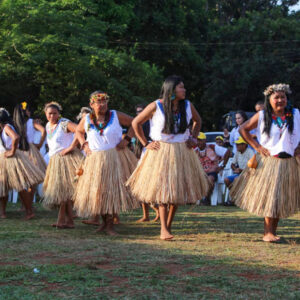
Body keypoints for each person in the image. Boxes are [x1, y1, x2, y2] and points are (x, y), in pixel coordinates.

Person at [127, 75, 209, 240]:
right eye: (181, 87)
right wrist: (145, 143)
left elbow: (197, 121)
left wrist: (193, 137)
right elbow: (136, 123)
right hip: (161, 151)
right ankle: (163, 229)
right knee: (164, 191)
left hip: (182, 151)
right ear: (171, 89)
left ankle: (168, 227)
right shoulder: (156, 105)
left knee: (176, 192)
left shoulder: (187, 105)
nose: (184, 90)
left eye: (184, 87)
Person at [230, 84, 300, 242]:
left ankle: (272, 232)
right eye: (276, 97)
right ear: (269, 100)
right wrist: (257, 146)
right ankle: (268, 233)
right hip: (270, 162)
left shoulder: (295, 114)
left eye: (283, 97)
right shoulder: (262, 115)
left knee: (280, 198)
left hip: (288, 162)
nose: (280, 100)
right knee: (271, 198)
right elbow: (243, 129)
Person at [73, 90, 138, 235]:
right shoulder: (87, 119)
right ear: (91, 104)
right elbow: (78, 131)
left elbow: (135, 123)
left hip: (114, 158)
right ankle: (103, 223)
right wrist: (84, 144)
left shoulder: (115, 115)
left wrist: (126, 140)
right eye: (98, 102)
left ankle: (110, 225)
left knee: (111, 190)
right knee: (99, 191)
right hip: (95, 159)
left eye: (104, 101)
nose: (102, 105)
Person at [43, 102, 83, 229]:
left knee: (64, 191)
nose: (52, 116)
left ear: (59, 114)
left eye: (55, 113)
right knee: (63, 192)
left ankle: (62, 220)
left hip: (67, 160)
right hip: (55, 161)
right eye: (50, 113)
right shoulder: (48, 125)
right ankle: (69, 221)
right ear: (45, 114)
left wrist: (71, 147)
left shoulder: (64, 123)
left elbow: (79, 130)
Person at [0, 108, 44, 219]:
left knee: (19, 185)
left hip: (11, 159)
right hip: (5, 158)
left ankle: (29, 211)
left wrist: (12, 151)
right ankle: (3, 212)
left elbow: (16, 137)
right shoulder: (5, 127)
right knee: (4, 186)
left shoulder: (6, 127)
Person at [13, 104, 47, 207]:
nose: (29, 112)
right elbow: (43, 131)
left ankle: (25, 205)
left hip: (20, 151)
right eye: (27, 110)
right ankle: (28, 205)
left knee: (22, 179)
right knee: (32, 181)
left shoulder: (15, 124)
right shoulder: (31, 122)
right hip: (31, 150)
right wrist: (40, 144)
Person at [134, 104, 159, 223]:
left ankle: (158, 211)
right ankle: (146, 215)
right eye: (137, 112)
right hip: (142, 154)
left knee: (148, 184)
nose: (139, 113)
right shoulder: (138, 123)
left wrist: (147, 144)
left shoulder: (151, 122)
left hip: (151, 154)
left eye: (141, 111)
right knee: (140, 184)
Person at [195, 132, 231, 203]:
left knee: (210, 179)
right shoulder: (195, 151)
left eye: (200, 140)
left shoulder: (212, 147)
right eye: (197, 140)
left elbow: (227, 152)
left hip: (212, 172)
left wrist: (222, 166)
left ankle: (207, 198)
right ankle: (192, 199)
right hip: (201, 173)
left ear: (205, 140)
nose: (199, 142)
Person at [224, 136, 254, 206]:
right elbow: (232, 164)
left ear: (244, 145)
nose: (236, 146)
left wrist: (241, 170)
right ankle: (236, 197)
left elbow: (253, 167)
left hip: (248, 174)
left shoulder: (250, 152)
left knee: (236, 179)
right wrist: (235, 169)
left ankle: (235, 199)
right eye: (236, 144)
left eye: (238, 144)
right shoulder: (237, 152)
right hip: (240, 173)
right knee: (226, 180)